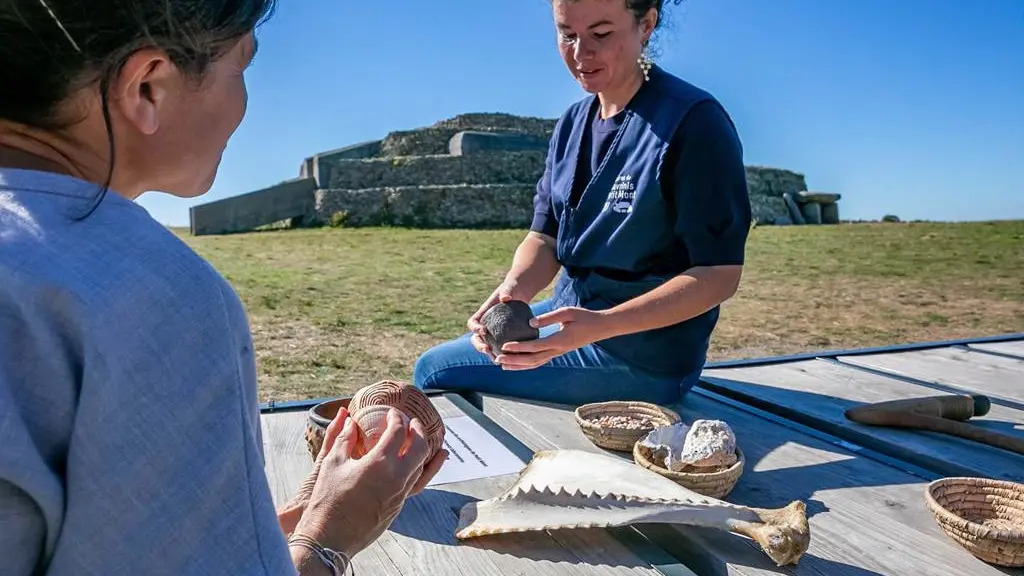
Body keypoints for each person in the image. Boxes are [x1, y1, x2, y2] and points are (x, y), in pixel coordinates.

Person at [0, 2, 446, 575]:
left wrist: (267, 529)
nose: (243, 105)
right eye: (241, 68)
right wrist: (333, 535)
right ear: (149, 87)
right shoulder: (159, 297)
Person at [413, 0, 752, 407]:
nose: (580, 54)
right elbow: (545, 236)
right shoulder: (572, 122)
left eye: (601, 34)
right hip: (570, 314)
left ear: (646, 24)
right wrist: (512, 291)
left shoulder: (695, 122)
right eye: (567, 34)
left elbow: (718, 275)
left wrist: (602, 325)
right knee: (445, 362)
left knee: (433, 371)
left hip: (643, 357)